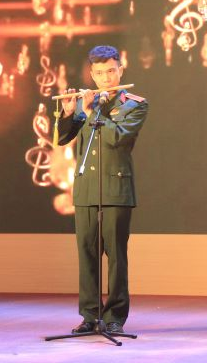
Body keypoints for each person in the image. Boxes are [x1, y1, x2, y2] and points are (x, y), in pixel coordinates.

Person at [56, 45, 148, 334]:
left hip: (116, 189)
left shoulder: (135, 104)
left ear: (120, 70)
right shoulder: (87, 102)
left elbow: (118, 138)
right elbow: (63, 138)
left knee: (116, 257)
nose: (106, 78)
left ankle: (114, 318)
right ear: (92, 75)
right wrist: (69, 113)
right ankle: (90, 316)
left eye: (111, 71)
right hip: (86, 190)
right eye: (99, 73)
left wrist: (91, 113)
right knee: (87, 254)